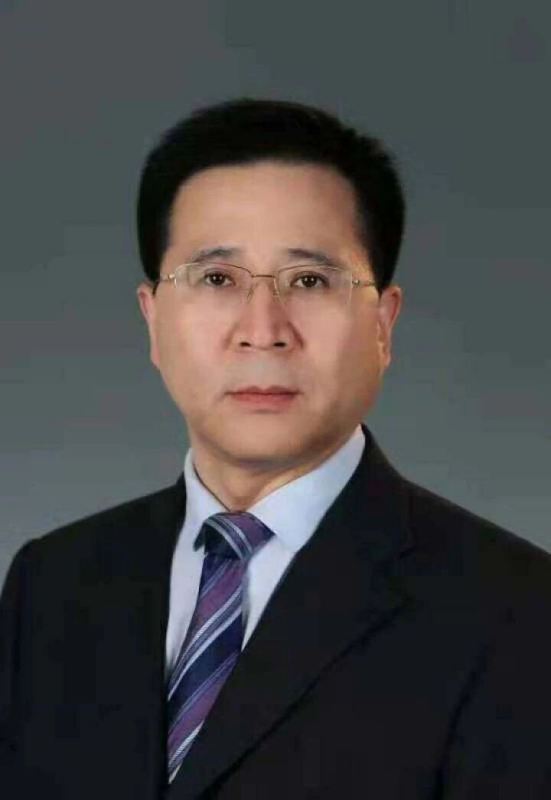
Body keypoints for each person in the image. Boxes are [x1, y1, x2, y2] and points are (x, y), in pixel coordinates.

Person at [1, 98, 550, 800]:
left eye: (309, 281)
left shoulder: (516, 611)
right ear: (152, 319)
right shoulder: (53, 584)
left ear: (382, 325)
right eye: (217, 279)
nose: (262, 330)